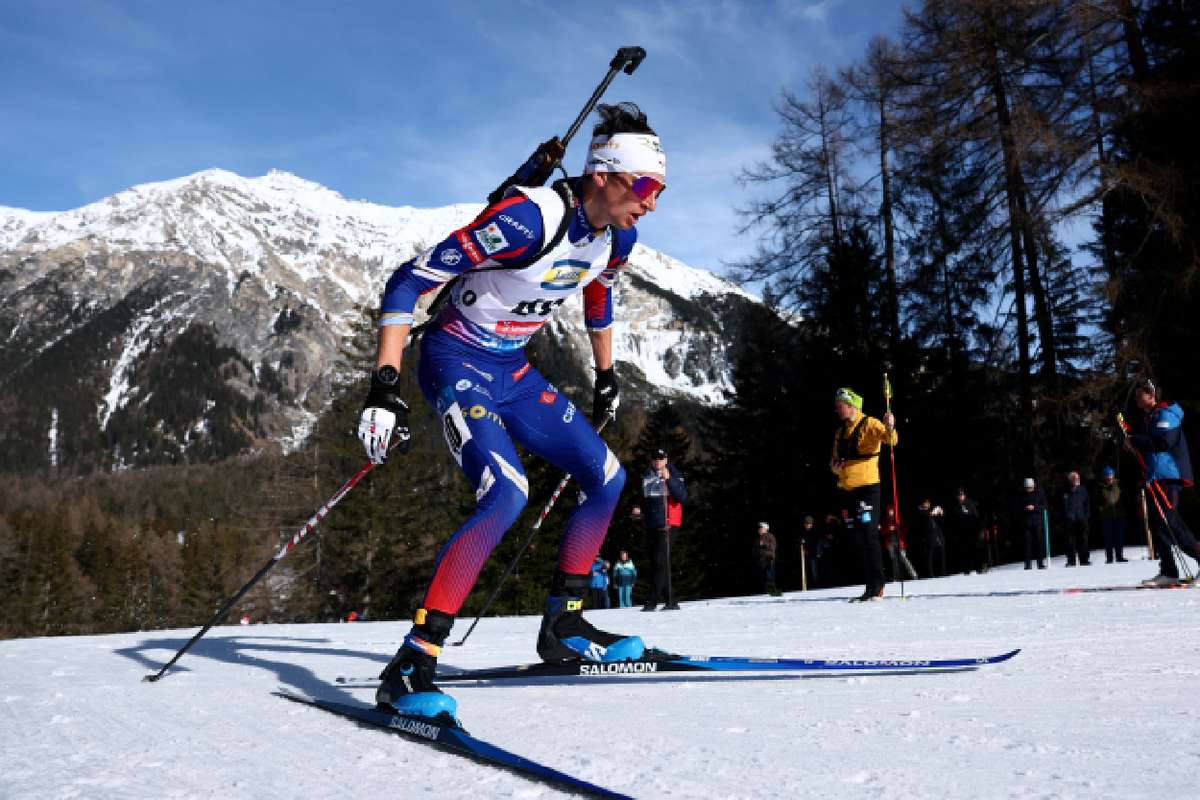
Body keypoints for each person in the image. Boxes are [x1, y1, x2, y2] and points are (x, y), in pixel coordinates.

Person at [358, 103, 669, 718]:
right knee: (507, 491)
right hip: (455, 358)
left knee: (607, 477)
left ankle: (566, 627)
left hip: (515, 367)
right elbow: (408, 280)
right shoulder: (529, 218)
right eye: (645, 186)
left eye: (661, 190)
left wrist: (606, 374)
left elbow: (598, 294)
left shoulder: (618, 238)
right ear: (602, 176)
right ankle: (413, 661)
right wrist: (383, 386)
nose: (652, 203)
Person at [1124, 379, 1198, 587]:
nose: (1137, 399)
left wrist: (1136, 440)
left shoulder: (1166, 414)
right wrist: (1134, 445)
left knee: (1170, 523)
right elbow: (1150, 448)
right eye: (1136, 395)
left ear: (1152, 395)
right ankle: (1169, 571)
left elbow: (1163, 443)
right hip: (1156, 477)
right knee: (1159, 525)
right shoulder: (1149, 418)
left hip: (1169, 477)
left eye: (1140, 395)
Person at [830, 387, 898, 601]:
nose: (837, 409)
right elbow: (833, 461)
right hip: (847, 490)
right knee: (857, 538)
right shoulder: (840, 432)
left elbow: (891, 439)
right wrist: (835, 467)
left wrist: (890, 426)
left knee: (869, 535)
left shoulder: (870, 423)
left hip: (868, 488)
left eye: (840, 406)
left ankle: (878, 585)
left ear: (851, 406)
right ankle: (869, 586)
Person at [639, 448, 687, 611]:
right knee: (658, 562)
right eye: (655, 458)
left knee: (660, 561)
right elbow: (647, 500)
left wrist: (670, 480)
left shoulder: (674, 473)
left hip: (668, 523)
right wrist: (640, 509)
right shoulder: (647, 476)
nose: (658, 461)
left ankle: (652, 600)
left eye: (661, 458)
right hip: (653, 523)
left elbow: (682, 496)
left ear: (666, 460)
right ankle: (671, 600)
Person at [947, 488, 986, 574]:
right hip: (962, 532)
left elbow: (976, 516)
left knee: (975, 549)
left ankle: (979, 568)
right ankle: (966, 569)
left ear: (964, 495)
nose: (960, 497)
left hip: (972, 530)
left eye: (962, 495)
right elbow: (954, 520)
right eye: (959, 495)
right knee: (965, 551)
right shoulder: (955, 506)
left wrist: (979, 529)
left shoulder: (969, 503)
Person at [1060, 471, 1091, 566]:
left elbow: (1087, 504)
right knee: (1070, 541)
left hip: (1081, 519)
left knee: (1084, 540)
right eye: (1073, 479)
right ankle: (1071, 561)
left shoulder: (1083, 490)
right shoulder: (1064, 491)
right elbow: (1061, 506)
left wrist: (1086, 516)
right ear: (1070, 480)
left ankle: (1084, 560)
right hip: (1070, 520)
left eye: (1077, 479)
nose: (1075, 480)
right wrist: (1065, 516)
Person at [1015, 478, 1048, 570]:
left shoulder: (1039, 493)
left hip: (1037, 522)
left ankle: (1040, 563)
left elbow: (1044, 506)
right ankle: (1027, 564)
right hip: (1026, 523)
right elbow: (1017, 508)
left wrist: (1034, 507)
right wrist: (1025, 509)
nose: (1029, 489)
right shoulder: (1021, 495)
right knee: (1027, 544)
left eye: (1030, 487)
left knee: (1039, 543)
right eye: (1027, 488)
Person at [1097, 466, 1127, 564]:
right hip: (1106, 516)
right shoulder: (1100, 487)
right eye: (1107, 476)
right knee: (1108, 538)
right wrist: (1101, 508)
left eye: (1110, 475)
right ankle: (1109, 558)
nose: (1109, 478)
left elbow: (1125, 498)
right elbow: (1096, 500)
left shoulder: (1119, 485)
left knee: (1119, 537)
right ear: (1104, 477)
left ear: (1113, 476)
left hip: (1119, 515)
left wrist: (1123, 508)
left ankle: (1120, 556)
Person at [881, 506, 918, 581]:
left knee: (903, 557)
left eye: (891, 510)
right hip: (890, 543)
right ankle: (896, 577)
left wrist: (897, 529)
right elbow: (882, 531)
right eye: (888, 511)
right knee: (894, 560)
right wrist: (888, 529)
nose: (890, 512)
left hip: (899, 542)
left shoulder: (898, 518)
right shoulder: (886, 520)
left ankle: (914, 575)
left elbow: (905, 529)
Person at [915, 499, 947, 578]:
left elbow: (941, 521)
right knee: (929, 557)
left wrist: (941, 513)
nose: (927, 504)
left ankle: (943, 572)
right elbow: (925, 518)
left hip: (938, 536)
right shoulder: (921, 511)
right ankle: (930, 574)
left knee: (941, 555)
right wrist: (933, 513)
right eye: (926, 503)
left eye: (928, 503)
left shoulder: (930, 511)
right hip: (928, 537)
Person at [753, 522, 780, 596]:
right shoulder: (758, 538)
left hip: (769, 560)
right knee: (762, 578)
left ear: (766, 529)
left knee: (769, 577)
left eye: (761, 528)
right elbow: (755, 549)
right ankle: (765, 592)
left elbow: (772, 548)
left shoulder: (770, 536)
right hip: (760, 561)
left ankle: (772, 592)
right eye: (759, 529)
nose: (759, 530)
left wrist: (764, 545)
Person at [799, 515, 825, 587]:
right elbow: (801, 540)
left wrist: (818, 552)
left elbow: (818, 542)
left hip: (815, 553)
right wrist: (802, 544)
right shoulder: (803, 532)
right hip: (808, 554)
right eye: (805, 524)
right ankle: (812, 584)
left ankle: (817, 583)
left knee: (816, 569)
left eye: (808, 524)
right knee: (810, 570)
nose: (806, 526)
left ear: (811, 524)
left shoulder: (816, 531)